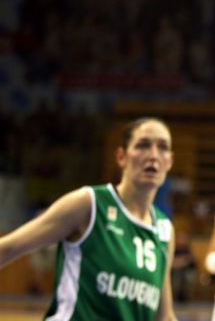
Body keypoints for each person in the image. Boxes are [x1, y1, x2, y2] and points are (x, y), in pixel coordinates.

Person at [0, 117, 177, 321]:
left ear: (170, 161)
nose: (153, 155)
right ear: (121, 157)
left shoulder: (164, 230)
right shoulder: (89, 204)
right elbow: (8, 248)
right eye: (143, 145)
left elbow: (163, 316)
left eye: (162, 147)